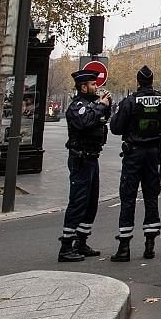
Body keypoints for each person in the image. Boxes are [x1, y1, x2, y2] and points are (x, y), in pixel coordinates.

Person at [109, 65, 161, 262]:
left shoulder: (130, 101)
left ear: (138, 81)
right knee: (151, 197)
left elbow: (116, 127)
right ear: (152, 81)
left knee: (128, 197)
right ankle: (150, 244)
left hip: (134, 154)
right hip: (153, 155)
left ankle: (124, 247)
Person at [58, 70, 112, 262]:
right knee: (78, 201)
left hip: (92, 157)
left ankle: (81, 241)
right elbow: (84, 122)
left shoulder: (92, 105)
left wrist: (106, 104)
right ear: (83, 87)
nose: (96, 87)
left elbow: (105, 119)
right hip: (80, 158)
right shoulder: (77, 106)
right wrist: (99, 106)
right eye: (93, 84)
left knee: (91, 202)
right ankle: (66, 246)